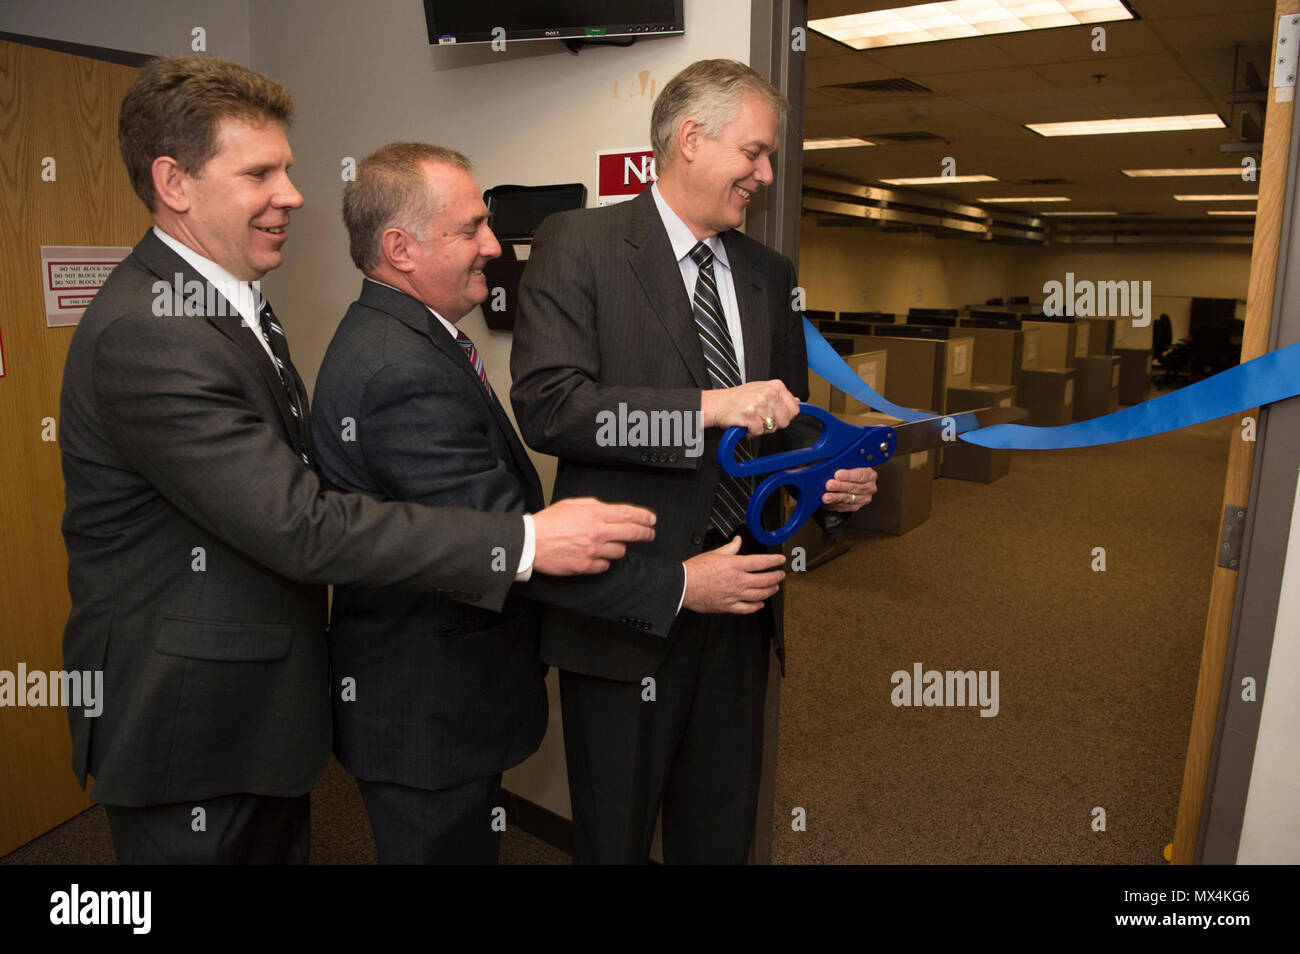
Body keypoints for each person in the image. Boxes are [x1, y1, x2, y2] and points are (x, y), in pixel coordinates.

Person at [58, 57, 657, 865]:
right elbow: (299, 524)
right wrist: (525, 541)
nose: (293, 195)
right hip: (193, 722)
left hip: (257, 710)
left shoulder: (227, 305)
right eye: (260, 173)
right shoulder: (152, 332)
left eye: (287, 169)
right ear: (174, 183)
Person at [310, 143, 786, 864]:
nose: (494, 246)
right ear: (400, 249)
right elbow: (510, 546)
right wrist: (684, 584)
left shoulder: (414, 342)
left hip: (437, 702)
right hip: (427, 711)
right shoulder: (397, 370)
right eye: (471, 228)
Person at [511, 59, 878, 864]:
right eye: (754, 152)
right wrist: (708, 406)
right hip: (627, 607)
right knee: (614, 837)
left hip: (742, 607)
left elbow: (782, 434)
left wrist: (830, 482)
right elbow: (550, 406)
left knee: (719, 836)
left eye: (769, 156)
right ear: (690, 139)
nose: (766, 174)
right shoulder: (580, 244)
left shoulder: (769, 274)